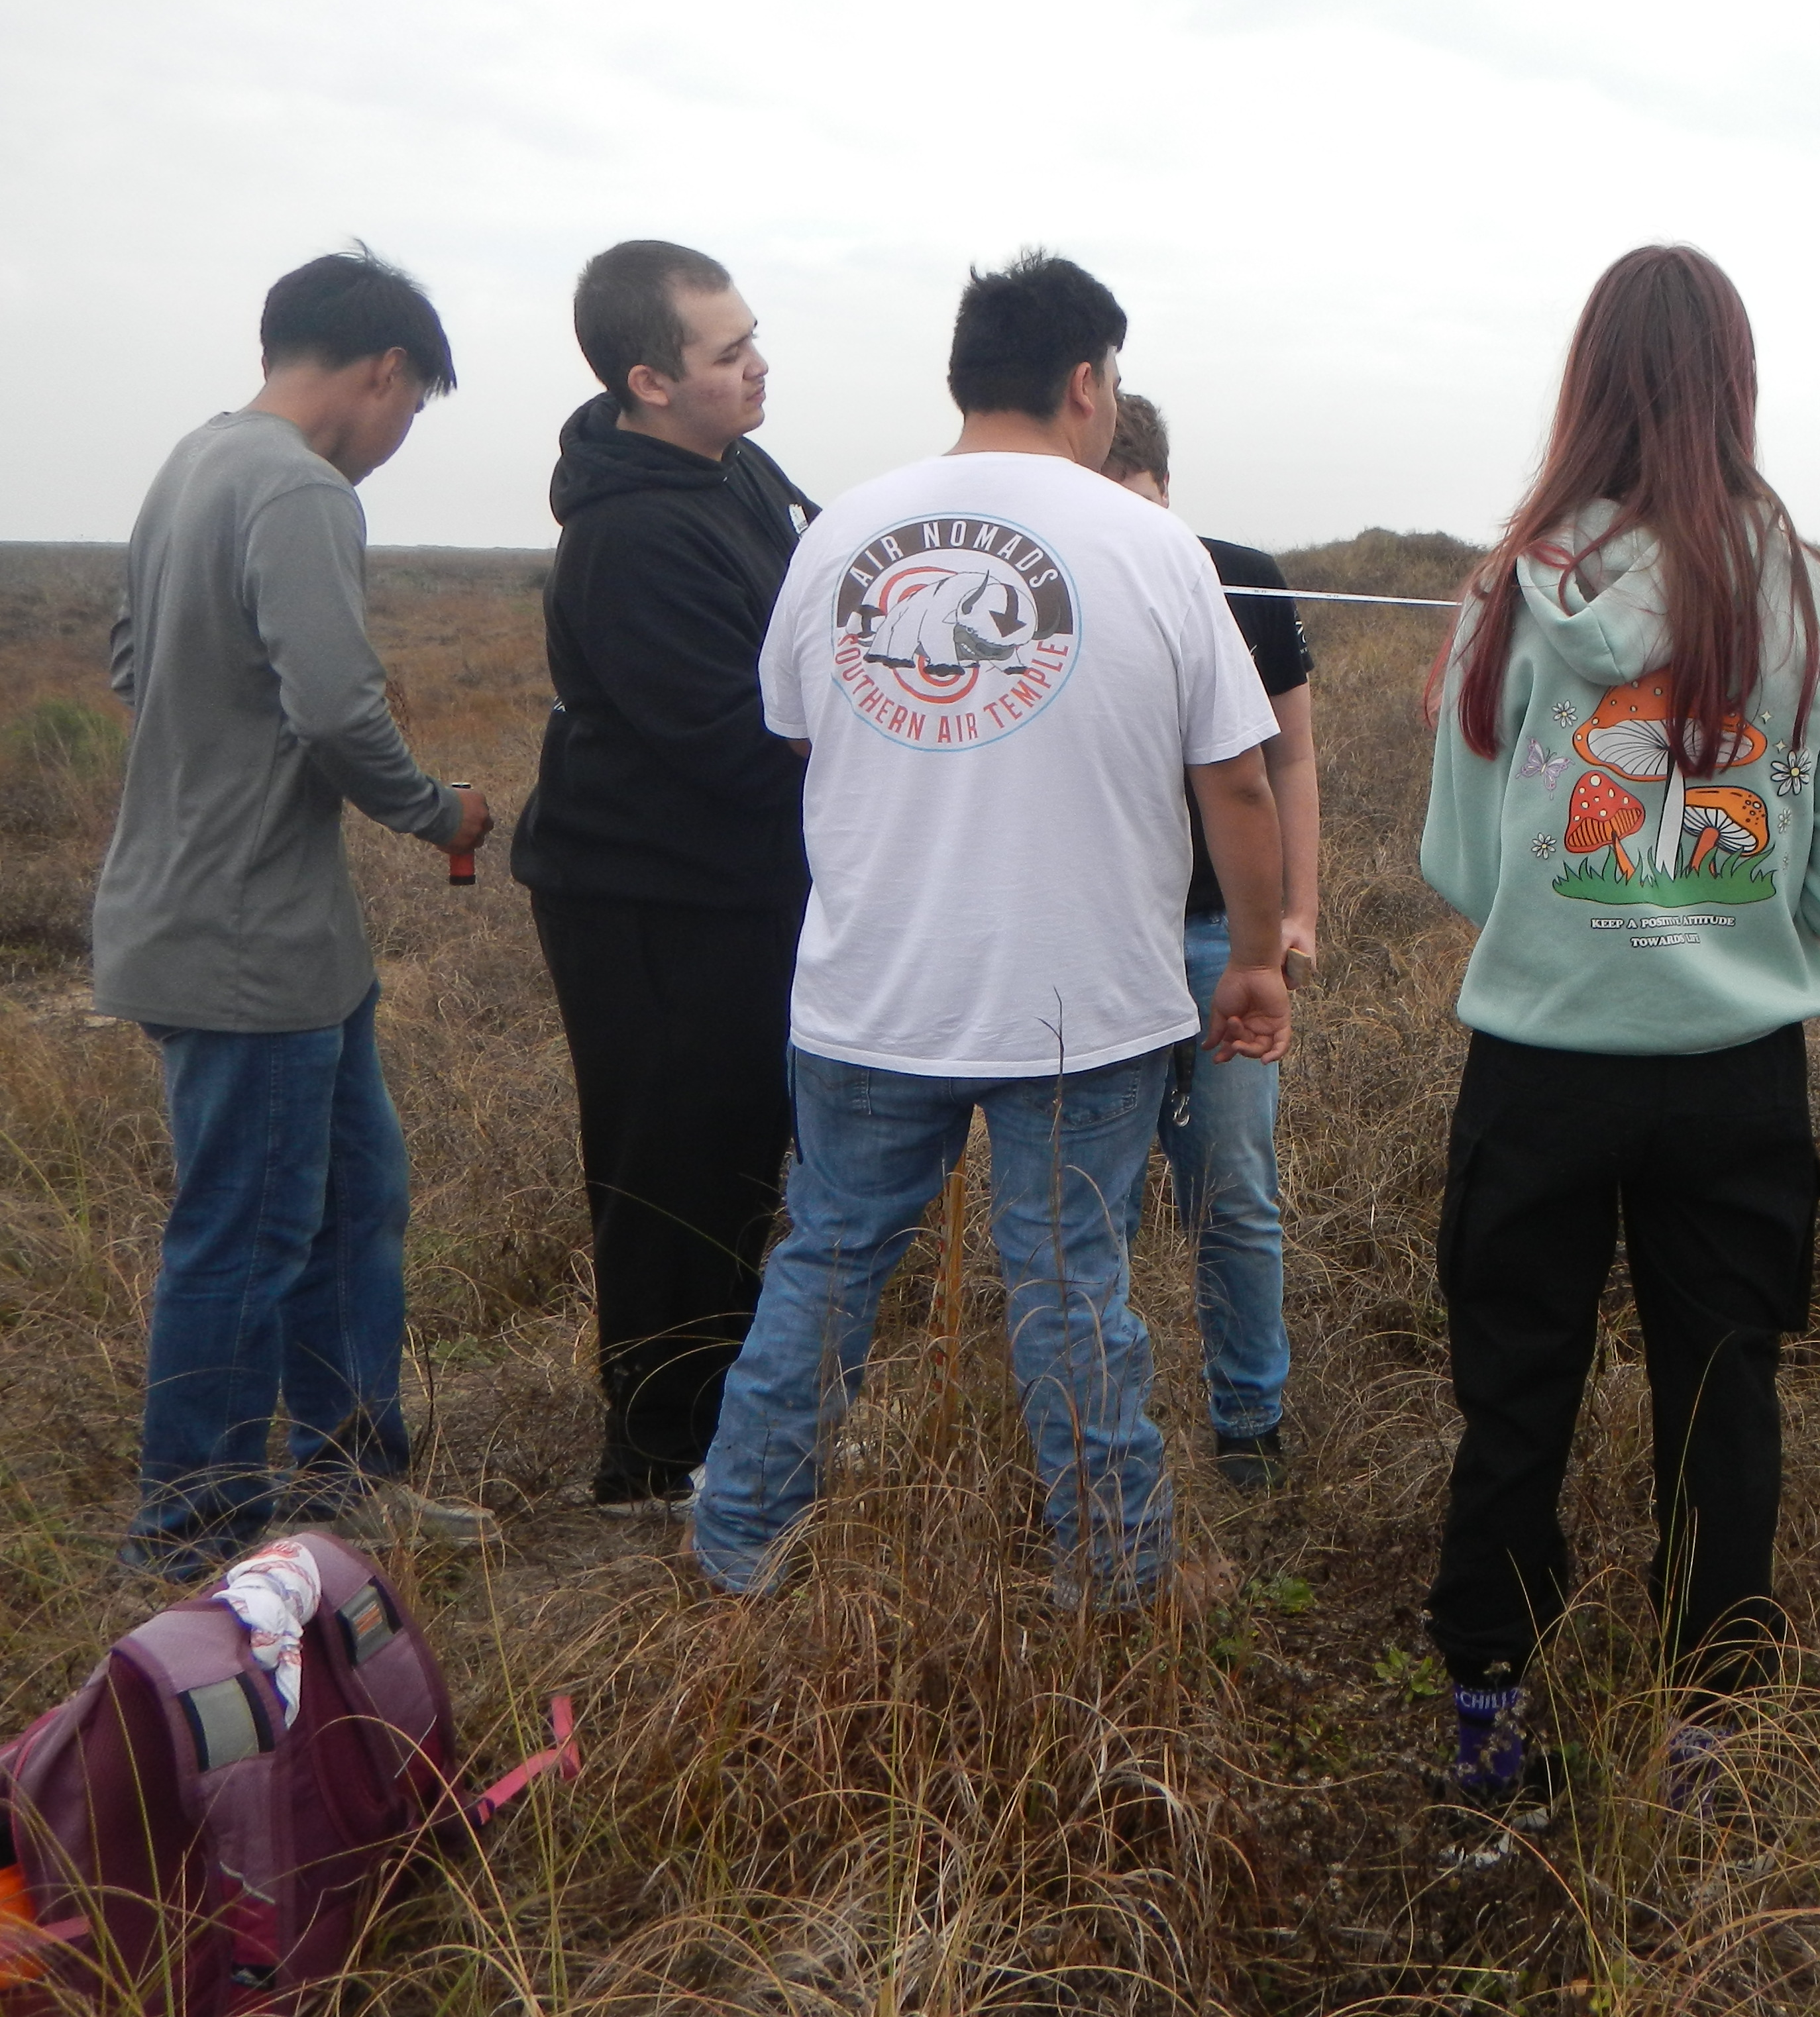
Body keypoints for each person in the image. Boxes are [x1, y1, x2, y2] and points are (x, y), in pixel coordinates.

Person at [692, 252, 1289, 1611]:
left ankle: (737, 1545)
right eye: (1113, 381)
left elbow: (794, 735)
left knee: (826, 1266)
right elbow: (1241, 779)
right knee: (1074, 1288)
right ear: (1088, 383)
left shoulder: (840, 533)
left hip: (871, 992)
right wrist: (1255, 956)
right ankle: (1116, 1574)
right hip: (1082, 1003)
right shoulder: (1154, 548)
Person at [1416, 244, 1820, 1801]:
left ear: (1587, 381)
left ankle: (1492, 1712)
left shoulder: (1509, 590)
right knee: (1722, 1397)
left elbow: (1463, 870)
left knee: (1516, 1388)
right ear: (1736, 386)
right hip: (1731, 1080)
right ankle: (1708, 1725)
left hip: (1541, 1066)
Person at [92, 248, 498, 1578]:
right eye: (410, 409)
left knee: (349, 1201)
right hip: (247, 942)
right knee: (252, 1230)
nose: (395, 440)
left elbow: (127, 657)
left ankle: (345, 1481)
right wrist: (441, 812)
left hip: (247, 928)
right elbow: (333, 709)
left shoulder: (195, 461)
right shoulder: (302, 489)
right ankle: (192, 1530)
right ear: (384, 374)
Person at [511, 240, 816, 1512]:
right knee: (668, 1163)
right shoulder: (629, 538)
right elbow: (735, 744)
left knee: (744, 1150)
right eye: (726, 351)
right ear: (647, 379)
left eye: (753, 336)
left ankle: (725, 1415)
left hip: (739, 893)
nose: (758, 365)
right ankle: (656, 1455)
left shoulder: (736, 471)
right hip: (647, 902)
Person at [1103, 392, 1318, 1490]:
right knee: (1090, 1202)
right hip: (1095, 941)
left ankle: (1250, 1420)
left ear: (1168, 490)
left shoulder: (1243, 574)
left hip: (1214, 935)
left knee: (1232, 1188)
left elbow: (1284, 759)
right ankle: (1098, 1425)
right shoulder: (1067, 582)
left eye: (1140, 505)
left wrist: (1296, 912)